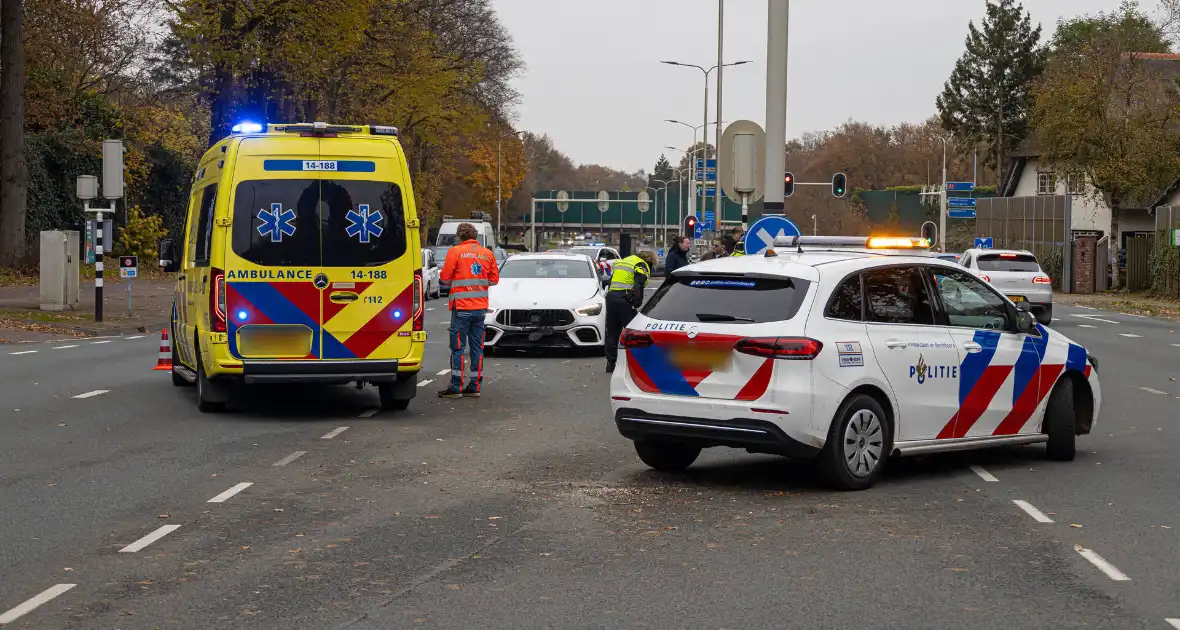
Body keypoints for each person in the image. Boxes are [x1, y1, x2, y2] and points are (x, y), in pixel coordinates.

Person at [438, 223, 500, 399]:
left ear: (459, 236)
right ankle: (475, 386)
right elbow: (494, 280)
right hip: (480, 309)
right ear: (475, 235)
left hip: (461, 308)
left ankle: (456, 387)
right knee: (477, 348)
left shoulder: (455, 252)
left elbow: (445, 278)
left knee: (457, 348)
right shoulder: (487, 254)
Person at [603, 250, 654, 374]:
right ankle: (639, 362)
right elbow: (639, 284)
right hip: (624, 298)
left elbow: (611, 281)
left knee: (612, 331)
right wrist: (636, 301)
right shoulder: (641, 265)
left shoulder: (626, 260)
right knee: (634, 330)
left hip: (611, 297)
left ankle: (610, 363)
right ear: (650, 259)